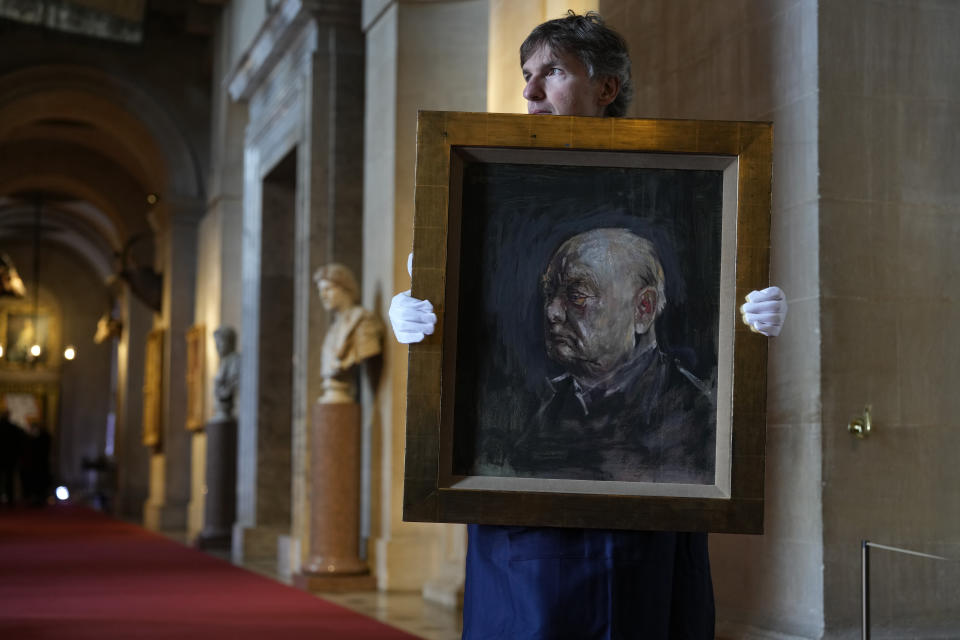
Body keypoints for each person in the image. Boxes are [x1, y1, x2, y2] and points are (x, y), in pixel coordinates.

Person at [389, 12, 788, 638]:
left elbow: (721, 328)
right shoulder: (475, 184)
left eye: (551, 71)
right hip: (520, 535)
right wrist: (417, 320)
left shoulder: (687, 408)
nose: (529, 91)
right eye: (526, 74)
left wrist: (747, 324)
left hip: (645, 531)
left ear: (606, 87)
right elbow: (468, 329)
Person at [510, 227, 715, 484]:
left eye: (577, 296)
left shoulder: (697, 417)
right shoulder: (538, 413)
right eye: (550, 294)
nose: (552, 312)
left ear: (643, 309)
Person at [313, 264, 383, 404]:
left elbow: (368, 350)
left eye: (327, 289)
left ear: (345, 288)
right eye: (321, 290)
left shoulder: (362, 321)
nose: (323, 296)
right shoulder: (333, 328)